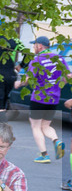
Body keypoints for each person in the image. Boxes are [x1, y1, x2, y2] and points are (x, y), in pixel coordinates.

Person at [14, 36, 67, 164]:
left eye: (34, 45)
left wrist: (18, 83)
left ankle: (44, 155)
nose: (34, 48)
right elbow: (67, 76)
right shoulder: (59, 59)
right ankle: (57, 141)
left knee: (36, 126)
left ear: (40, 46)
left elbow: (28, 79)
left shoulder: (37, 60)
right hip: (54, 99)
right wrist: (58, 86)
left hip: (39, 98)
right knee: (46, 125)